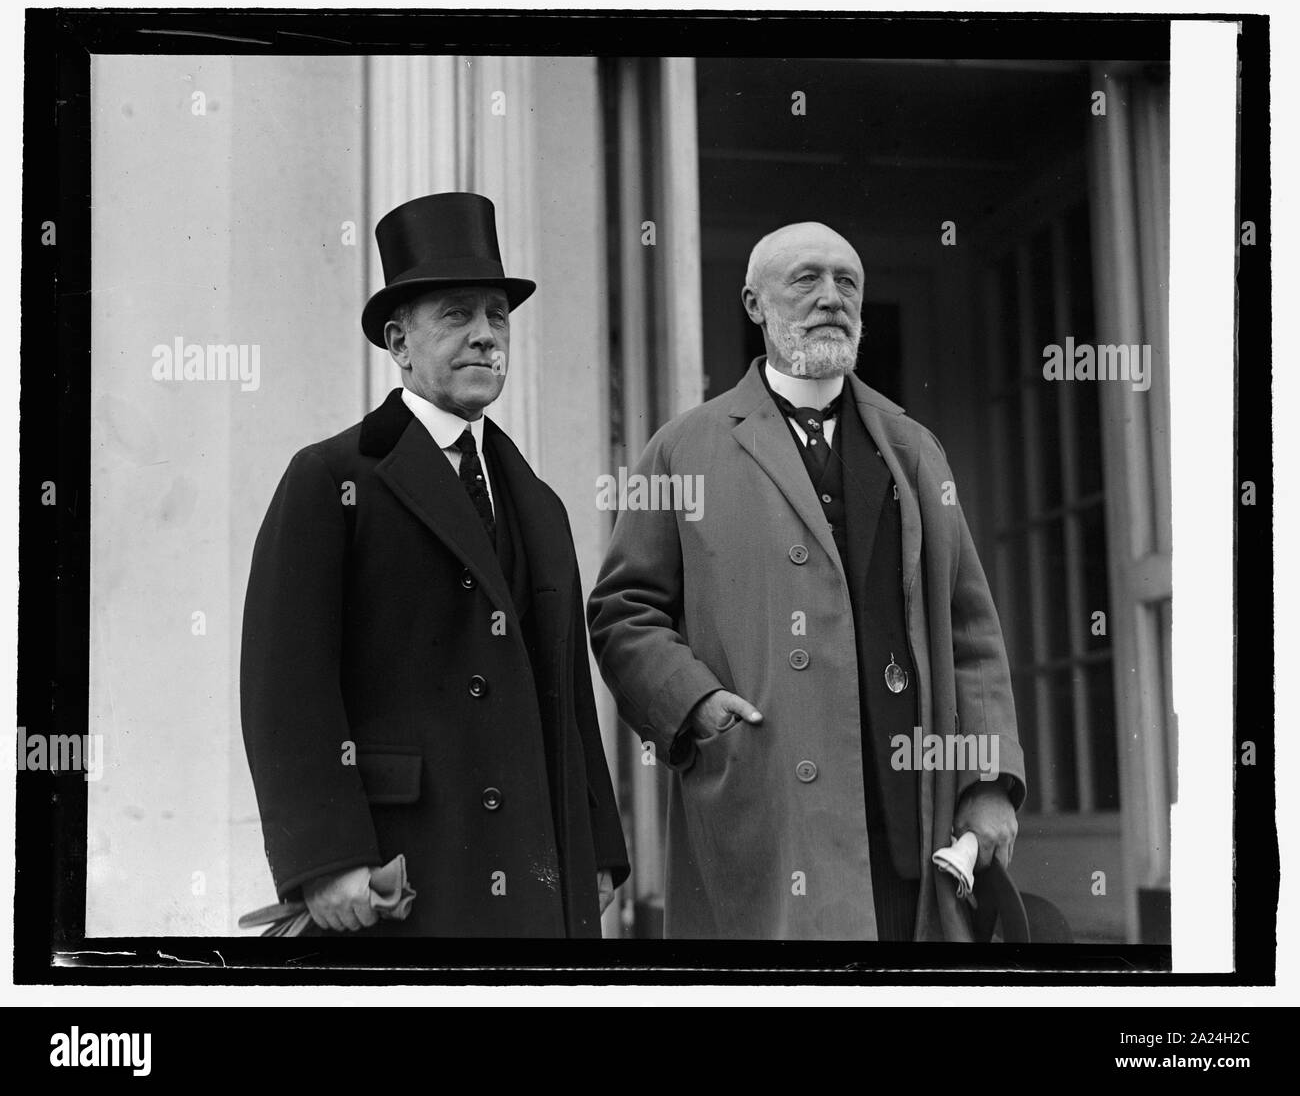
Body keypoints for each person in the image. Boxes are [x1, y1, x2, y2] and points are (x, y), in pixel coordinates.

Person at [587, 221, 1023, 940]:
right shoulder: (683, 449)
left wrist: (988, 781)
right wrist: (694, 704)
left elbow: (969, 629)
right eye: (806, 280)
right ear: (754, 304)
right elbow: (623, 612)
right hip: (764, 804)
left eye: (846, 282)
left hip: (906, 815)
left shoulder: (914, 449)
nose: (831, 299)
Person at [241, 192, 628, 936]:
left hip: (534, 870)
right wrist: (326, 860)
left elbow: (570, 695)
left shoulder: (539, 502)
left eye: (497, 316)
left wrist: (599, 848)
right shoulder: (331, 477)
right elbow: (286, 692)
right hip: (403, 868)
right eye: (456, 315)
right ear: (399, 342)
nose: (486, 337)